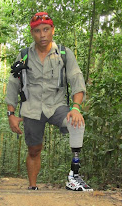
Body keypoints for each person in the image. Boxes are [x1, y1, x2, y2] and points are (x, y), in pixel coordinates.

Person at [5, 11, 92, 191]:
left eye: (46, 29)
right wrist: (11, 114)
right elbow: (13, 83)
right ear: (32, 33)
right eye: (37, 31)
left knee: (77, 124)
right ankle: (32, 188)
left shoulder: (63, 53)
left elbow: (77, 80)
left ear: (52, 30)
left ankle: (74, 177)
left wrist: (75, 108)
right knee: (34, 150)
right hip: (31, 108)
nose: (42, 35)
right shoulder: (23, 55)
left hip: (57, 105)